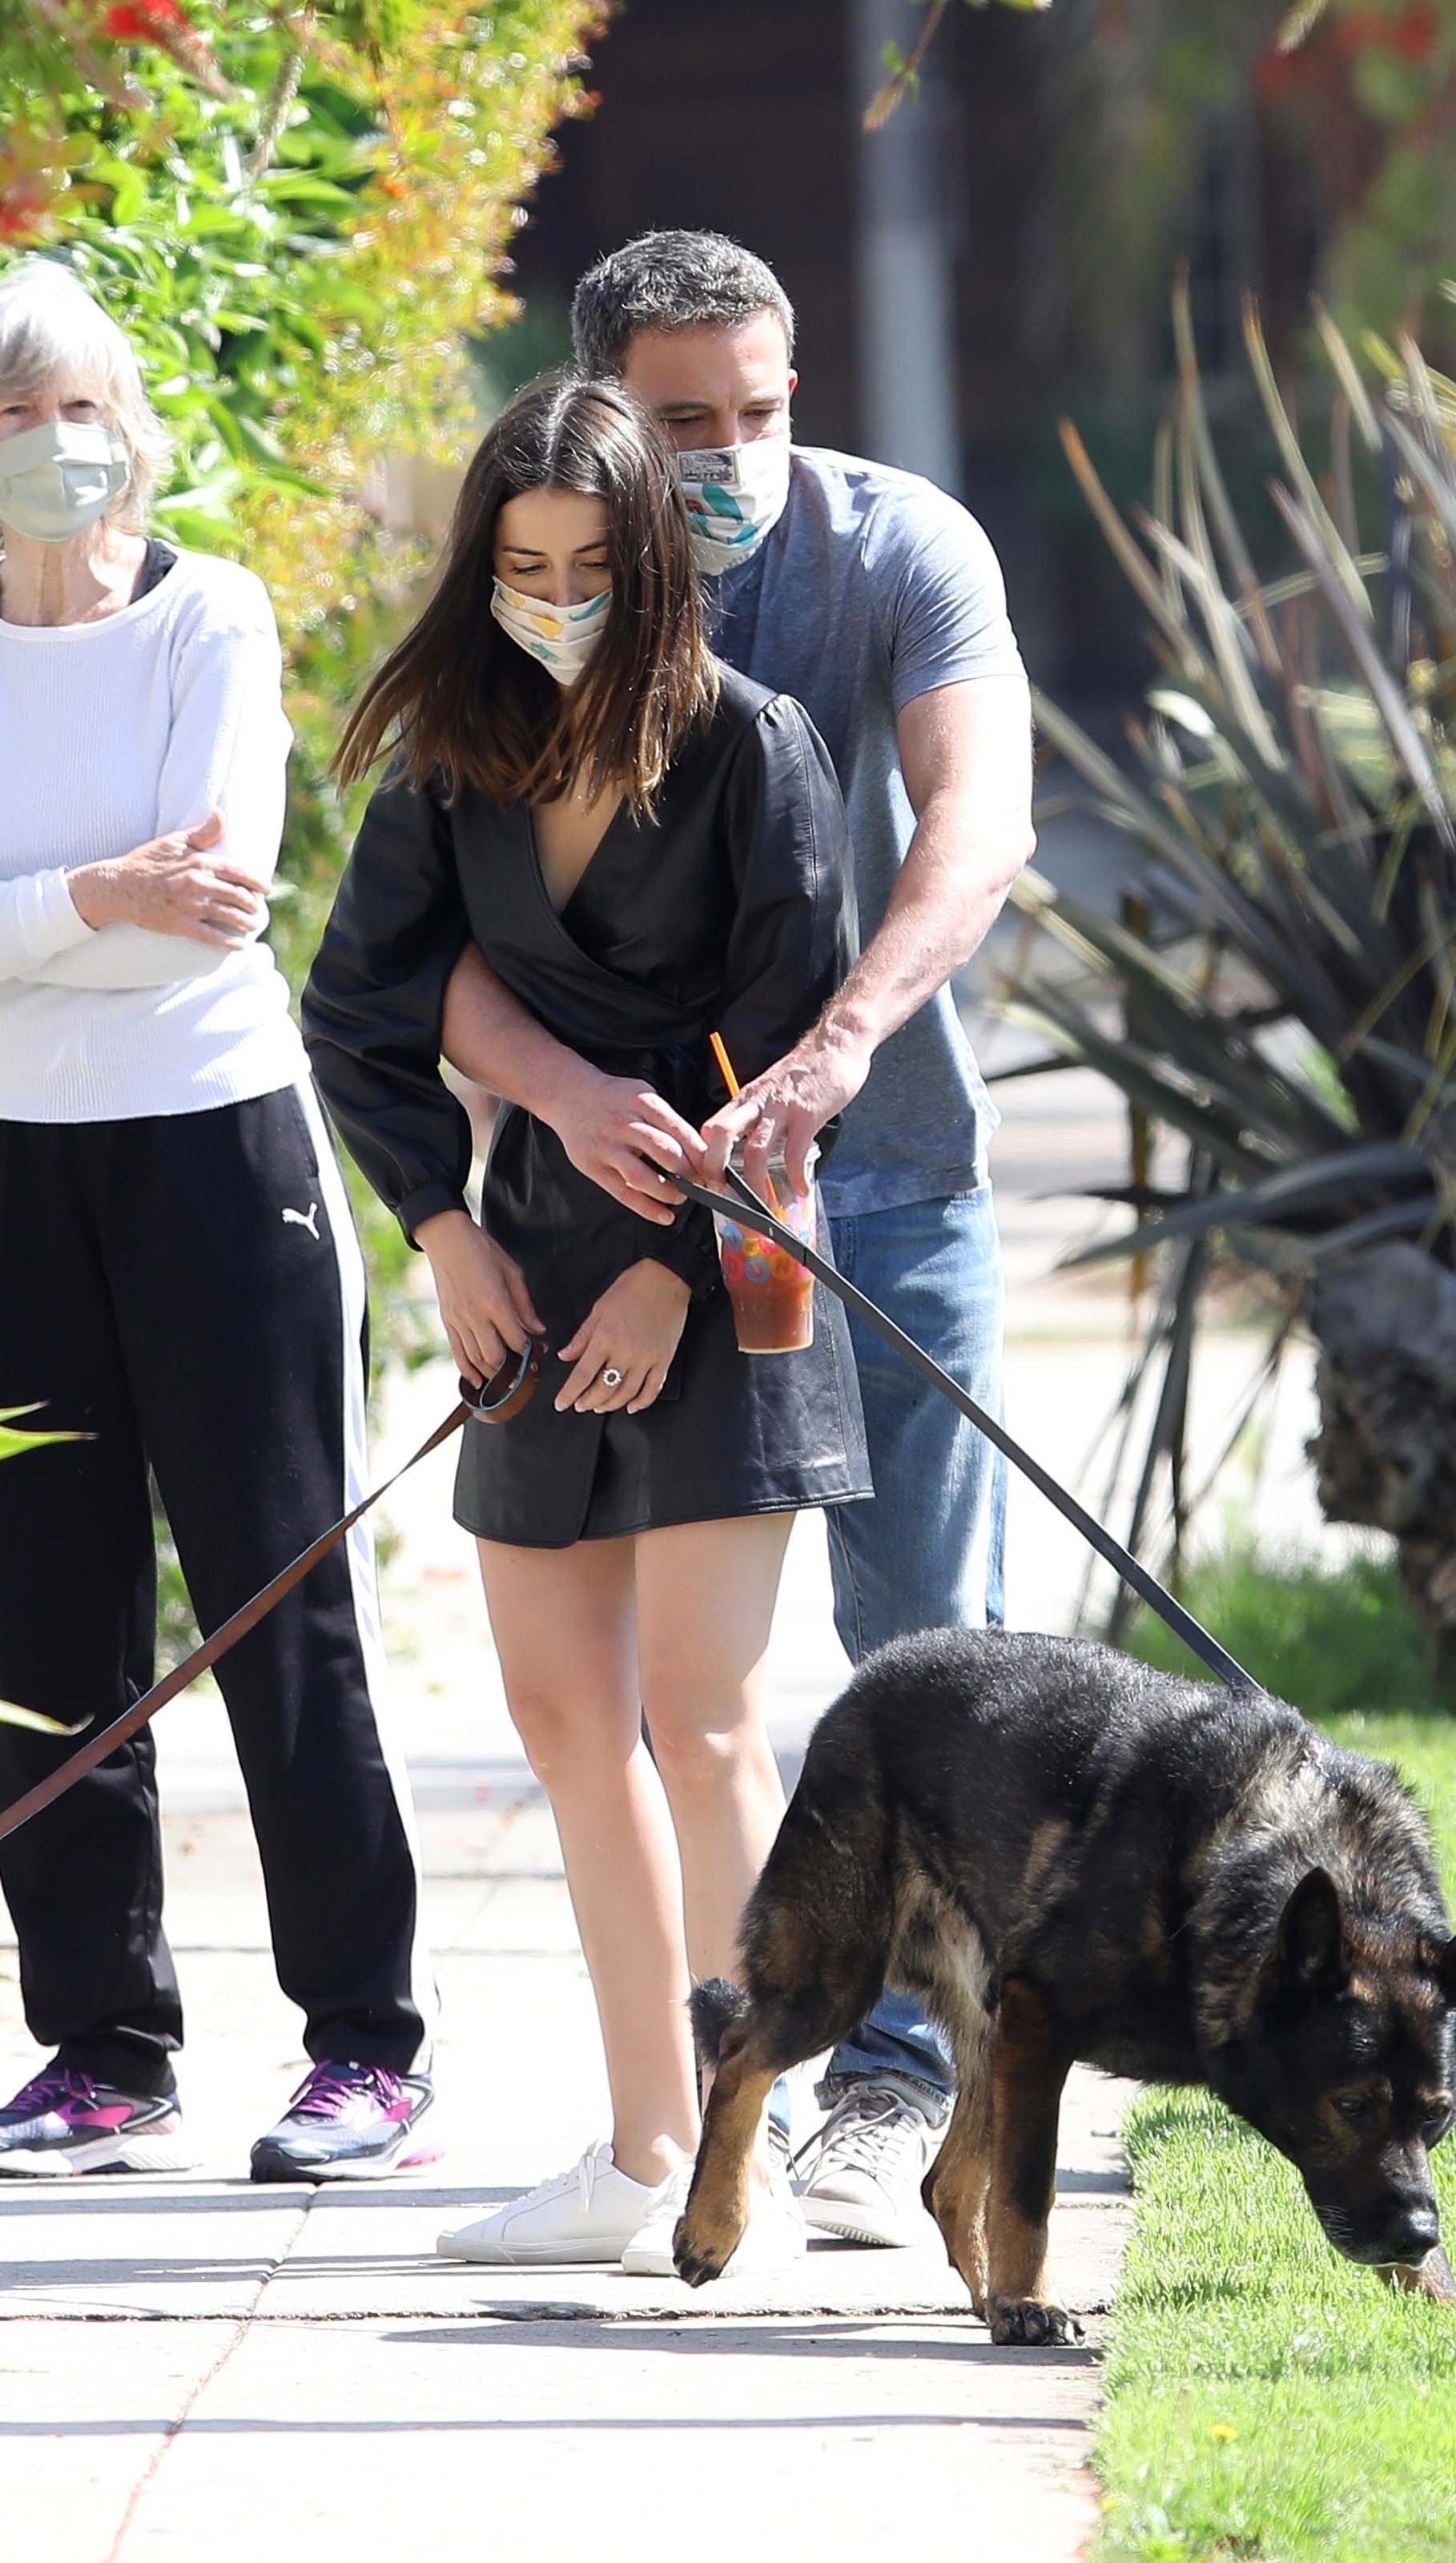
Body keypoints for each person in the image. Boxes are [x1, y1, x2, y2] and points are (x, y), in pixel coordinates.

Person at [435, 231, 1036, 2247]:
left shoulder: (895, 550)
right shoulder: (549, 580)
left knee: (930, 1648)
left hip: (879, 1174)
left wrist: (841, 1051)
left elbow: (977, 814)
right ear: (605, 409)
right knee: (696, 1692)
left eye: (763, 410)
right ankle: (725, 2100)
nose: (733, 455)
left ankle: (905, 2087)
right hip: (635, 1208)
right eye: (685, 422)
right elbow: (420, 930)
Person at [303, 372, 871, 2271]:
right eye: (522, 563)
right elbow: (360, 1006)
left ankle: (743, 2153)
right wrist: (445, 1232)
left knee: (701, 1718)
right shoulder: (454, 761)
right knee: (564, 1717)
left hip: (735, 1273)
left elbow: (797, 1054)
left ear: (653, 570)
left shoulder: (754, 746)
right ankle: (637, 2151)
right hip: (527, 1276)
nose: (553, 596)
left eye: (590, 566)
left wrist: (672, 1265)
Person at [0, 260, 436, 2183]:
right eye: (11, 418)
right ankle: (103, 2042)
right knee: (38, 1611)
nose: (52, 449)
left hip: (215, 1152)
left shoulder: (215, 618)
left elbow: (227, 883)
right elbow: (145, 890)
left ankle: (367, 2043)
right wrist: (101, 890)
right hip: (15, 1168)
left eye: (77, 406)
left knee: (279, 1590)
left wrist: (39, 910)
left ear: (134, 426)